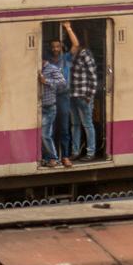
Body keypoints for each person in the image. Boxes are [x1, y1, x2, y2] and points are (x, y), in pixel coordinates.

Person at [64, 21, 98, 161]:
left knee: (87, 124)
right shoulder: (71, 55)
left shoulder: (86, 56)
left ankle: (91, 152)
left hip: (82, 96)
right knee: (75, 124)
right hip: (71, 95)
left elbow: (93, 77)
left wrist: (89, 96)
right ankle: (75, 150)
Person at [45, 34, 73, 166]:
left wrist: (68, 28)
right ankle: (52, 158)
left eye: (57, 46)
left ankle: (65, 157)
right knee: (51, 129)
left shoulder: (66, 59)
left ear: (60, 47)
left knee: (64, 128)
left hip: (63, 97)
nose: (55, 49)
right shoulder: (46, 63)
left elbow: (76, 45)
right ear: (50, 48)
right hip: (50, 97)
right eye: (53, 47)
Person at [39, 43, 68, 167]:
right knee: (44, 134)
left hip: (50, 107)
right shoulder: (40, 69)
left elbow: (62, 82)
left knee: (46, 135)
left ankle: (53, 158)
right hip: (42, 107)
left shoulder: (52, 68)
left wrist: (47, 82)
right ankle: (46, 158)